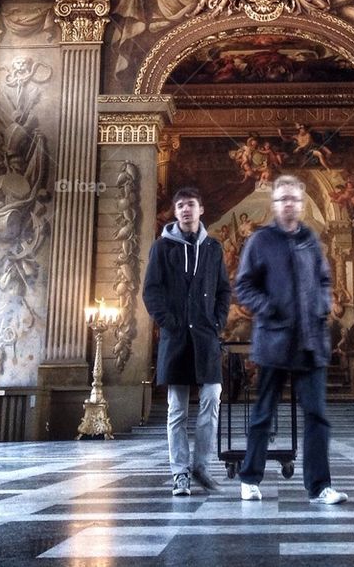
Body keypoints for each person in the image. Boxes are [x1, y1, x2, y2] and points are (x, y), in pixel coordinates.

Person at [235, 174, 348, 505]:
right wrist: (268, 308)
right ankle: (250, 478)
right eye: (283, 199)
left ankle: (319, 486)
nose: (289, 204)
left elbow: (324, 278)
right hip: (273, 340)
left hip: (310, 342)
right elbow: (244, 286)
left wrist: (323, 303)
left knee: (317, 416)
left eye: (294, 200)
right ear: (274, 204)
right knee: (263, 414)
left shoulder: (311, 240)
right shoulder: (260, 242)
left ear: (301, 204)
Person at [142, 187, 231, 496]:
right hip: (176, 338)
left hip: (206, 337)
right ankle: (180, 473)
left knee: (211, 400)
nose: (185, 210)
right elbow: (151, 291)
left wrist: (218, 321)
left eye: (190, 204)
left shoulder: (214, 248)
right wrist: (170, 323)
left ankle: (201, 467)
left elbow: (223, 291)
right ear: (175, 213)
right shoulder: (161, 248)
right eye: (180, 206)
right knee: (177, 410)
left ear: (200, 210)